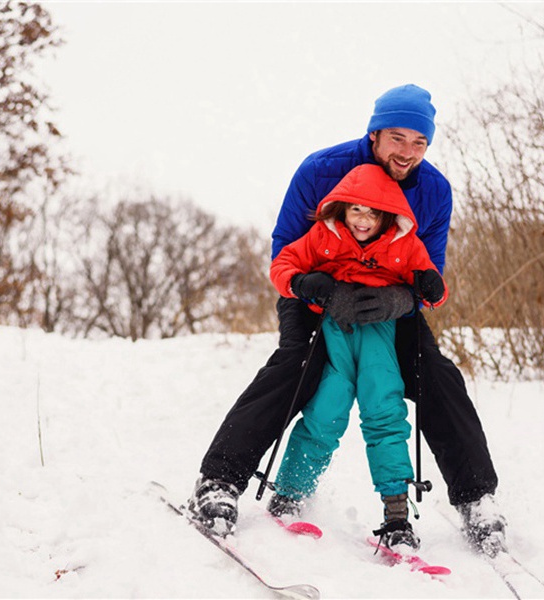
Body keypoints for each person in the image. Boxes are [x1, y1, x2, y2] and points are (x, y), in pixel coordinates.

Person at [188, 84, 506, 556]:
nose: (408, 152)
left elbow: (429, 272)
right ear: (375, 133)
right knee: (298, 365)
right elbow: (285, 252)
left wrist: (401, 302)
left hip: (389, 305)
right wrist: (320, 290)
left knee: (435, 374)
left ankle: (477, 498)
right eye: (399, 138)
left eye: (420, 142)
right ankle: (218, 481)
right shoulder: (321, 171)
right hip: (315, 294)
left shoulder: (433, 190)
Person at [268, 163, 448, 550]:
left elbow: (433, 285)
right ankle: (289, 493)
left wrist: (433, 286)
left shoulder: (404, 244)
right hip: (333, 330)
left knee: (384, 407)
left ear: (387, 216)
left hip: (379, 334)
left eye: (373, 212)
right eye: (356, 211)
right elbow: (282, 265)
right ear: (341, 210)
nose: (363, 220)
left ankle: (396, 514)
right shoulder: (323, 236)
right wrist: (301, 282)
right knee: (325, 409)